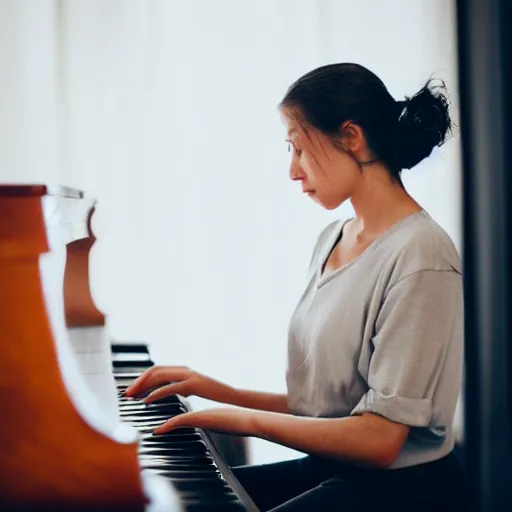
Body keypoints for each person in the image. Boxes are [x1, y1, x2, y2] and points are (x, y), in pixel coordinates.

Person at [125, 63, 466, 511]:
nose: (292, 170)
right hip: (334, 467)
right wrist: (216, 389)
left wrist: (245, 421)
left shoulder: (422, 255)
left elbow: (381, 439)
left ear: (351, 136)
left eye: (299, 148)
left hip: (400, 490)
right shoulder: (333, 239)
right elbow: (330, 407)